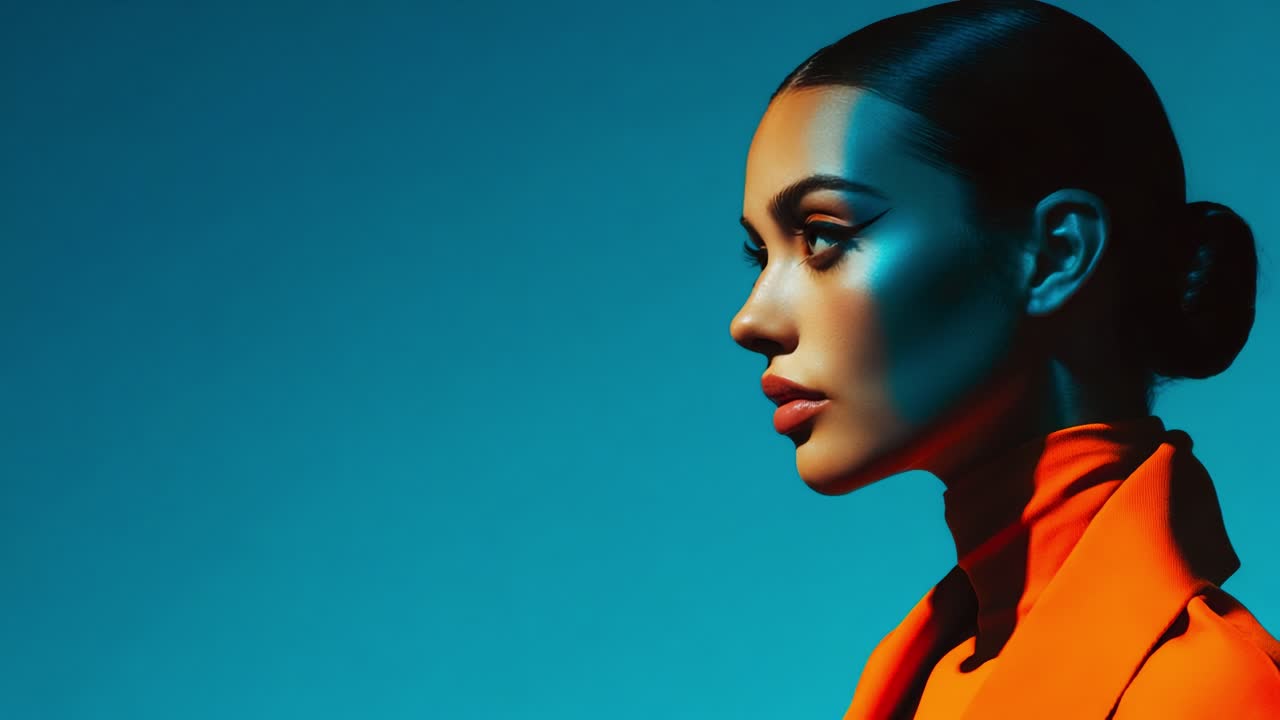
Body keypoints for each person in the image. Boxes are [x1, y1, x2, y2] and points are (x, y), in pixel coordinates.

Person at [727, 1, 1280, 717]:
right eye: (759, 253)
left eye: (823, 236)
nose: (751, 319)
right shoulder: (929, 673)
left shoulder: (1207, 693)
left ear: (1056, 254)